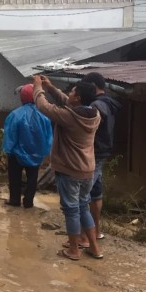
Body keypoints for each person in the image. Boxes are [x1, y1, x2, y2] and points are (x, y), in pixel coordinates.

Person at [33, 75, 102, 261]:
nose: (68, 93)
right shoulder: (94, 114)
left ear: (78, 98)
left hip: (70, 170)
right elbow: (68, 103)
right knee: (83, 207)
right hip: (88, 169)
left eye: (72, 91)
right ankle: (94, 248)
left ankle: (73, 250)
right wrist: (51, 88)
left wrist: (38, 87)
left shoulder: (69, 117)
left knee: (71, 210)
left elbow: (43, 106)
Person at [78, 72, 121, 244]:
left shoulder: (97, 106)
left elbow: (93, 121)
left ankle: (84, 237)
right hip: (103, 151)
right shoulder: (109, 102)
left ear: (93, 87)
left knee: (83, 195)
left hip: (94, 152)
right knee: (95, 193)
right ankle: (96, 231)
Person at [2, 84, 53, 208]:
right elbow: (48, 137)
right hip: (36, 154)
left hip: (16, 154)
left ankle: (14, 200)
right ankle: (28, 202)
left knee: (15, 178)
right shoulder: (44, 116)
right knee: (32, 178)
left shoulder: (14, 115)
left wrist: (7, 150)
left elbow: (10, 136)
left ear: (22, 97)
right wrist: (43, 153)